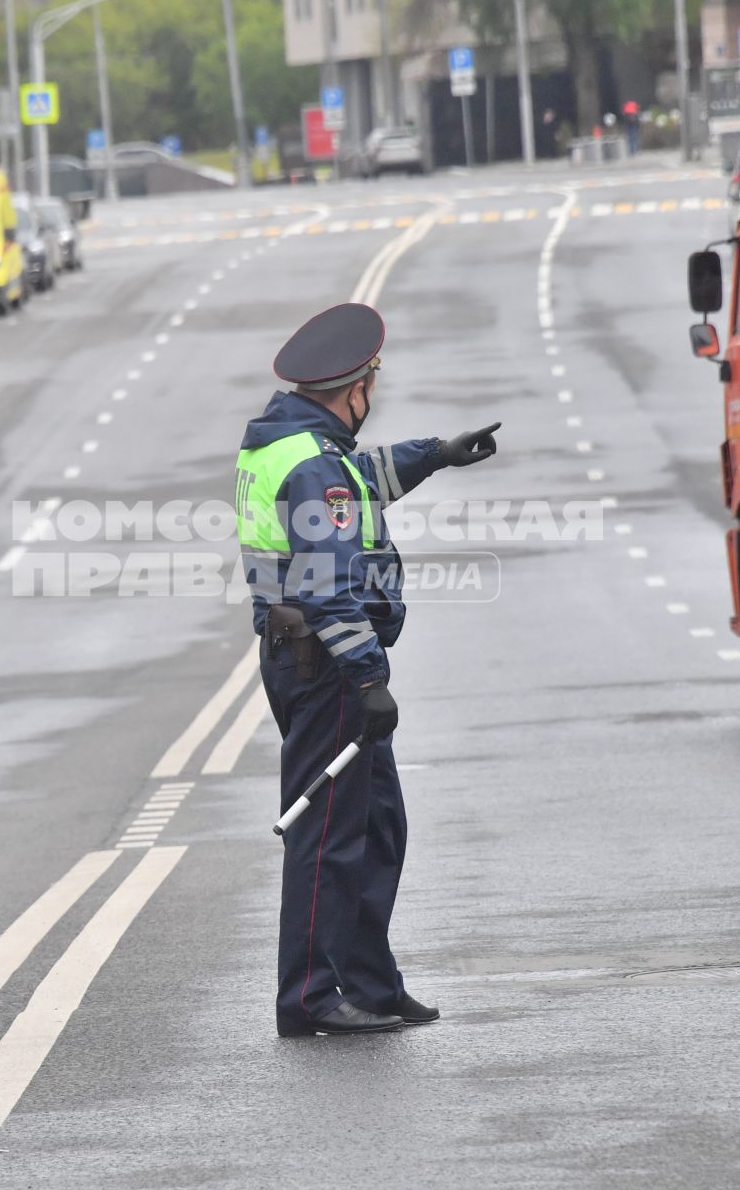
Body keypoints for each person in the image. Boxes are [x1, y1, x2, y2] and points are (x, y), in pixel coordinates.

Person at [235, 303, 501, 1037]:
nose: (372, 399)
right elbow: (326, 582)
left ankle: (370, 984)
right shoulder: (314, 460)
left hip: (311, 657)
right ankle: (311, 999)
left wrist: (437, 453)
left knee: (376, 825)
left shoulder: (295, 443)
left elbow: (364, 475)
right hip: (325, 664)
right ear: (353, 387)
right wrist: (366, 678)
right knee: (327, 836)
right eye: (371, 387)